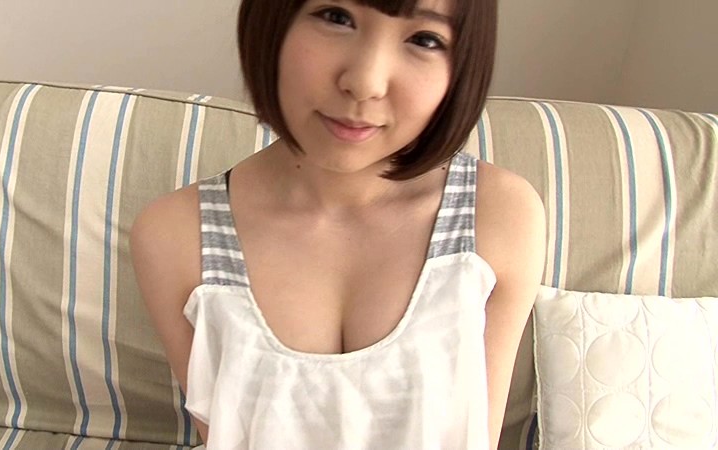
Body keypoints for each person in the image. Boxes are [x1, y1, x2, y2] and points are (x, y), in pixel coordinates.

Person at [130, 0, 545, 447]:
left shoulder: (497, 214)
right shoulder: (175, 235)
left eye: (424, 39)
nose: (365, 83)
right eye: (336, 17)